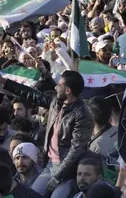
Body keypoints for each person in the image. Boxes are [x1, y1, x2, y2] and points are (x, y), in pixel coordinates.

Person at [0, 70, 92, 198]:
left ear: (68, 91)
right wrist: (5, 83)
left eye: (59, 85)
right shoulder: (56, 102)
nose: (55, 87)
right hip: (50, 165)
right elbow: (32, 95)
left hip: (68, 171)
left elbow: (77, 148)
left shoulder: (82, 114)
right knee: (31, 195)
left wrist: (59, 176)